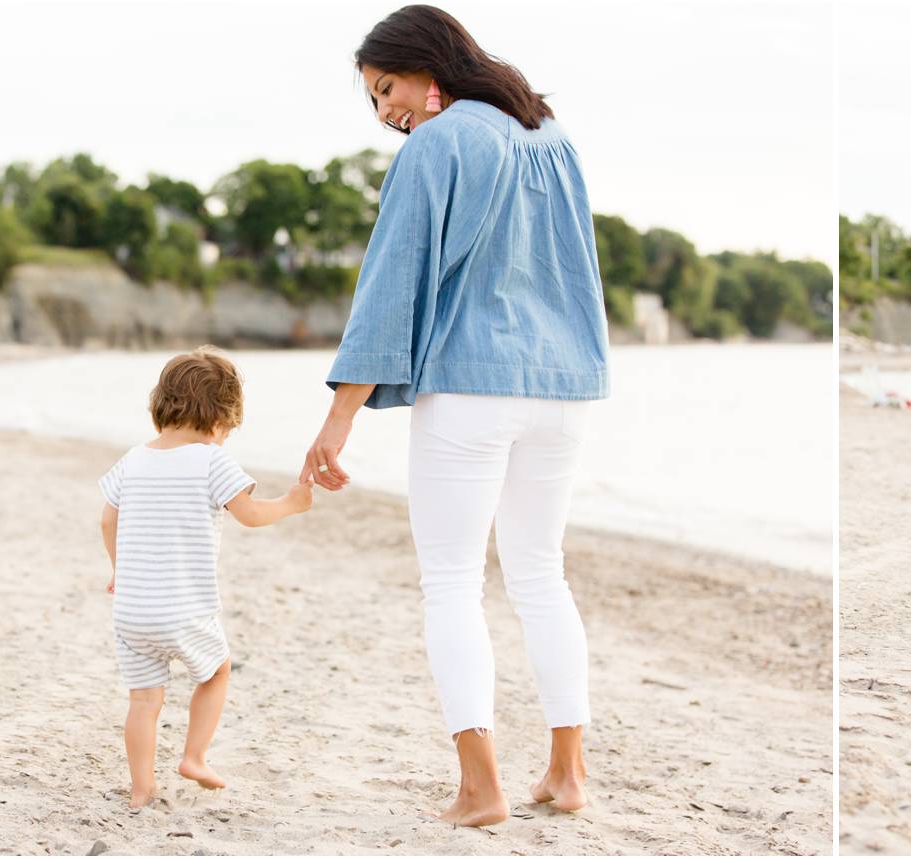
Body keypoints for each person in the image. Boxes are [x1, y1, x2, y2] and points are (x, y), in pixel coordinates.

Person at [300, 4, 610, 827]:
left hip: (473, 386)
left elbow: (389, 287)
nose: (384, 112)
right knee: (542, 573)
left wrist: (340, 420)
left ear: (428, 69)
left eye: (387, 88)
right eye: (371, 100)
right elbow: (580, 274)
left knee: (452, 584)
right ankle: (567, 775)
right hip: (563, 386)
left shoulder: (441, 145)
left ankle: (481, 788)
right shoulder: (553, 137)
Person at [99, 346, 312, 808]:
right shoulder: (212, 461)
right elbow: (250, 514)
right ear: (220, 420)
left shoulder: (133, 459)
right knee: (216, 671)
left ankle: (140, 791)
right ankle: (194, 756)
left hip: (132, 611)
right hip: (183, 608)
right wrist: (292, 503)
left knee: (143, 701)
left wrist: (120, 569)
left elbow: (107, 520)